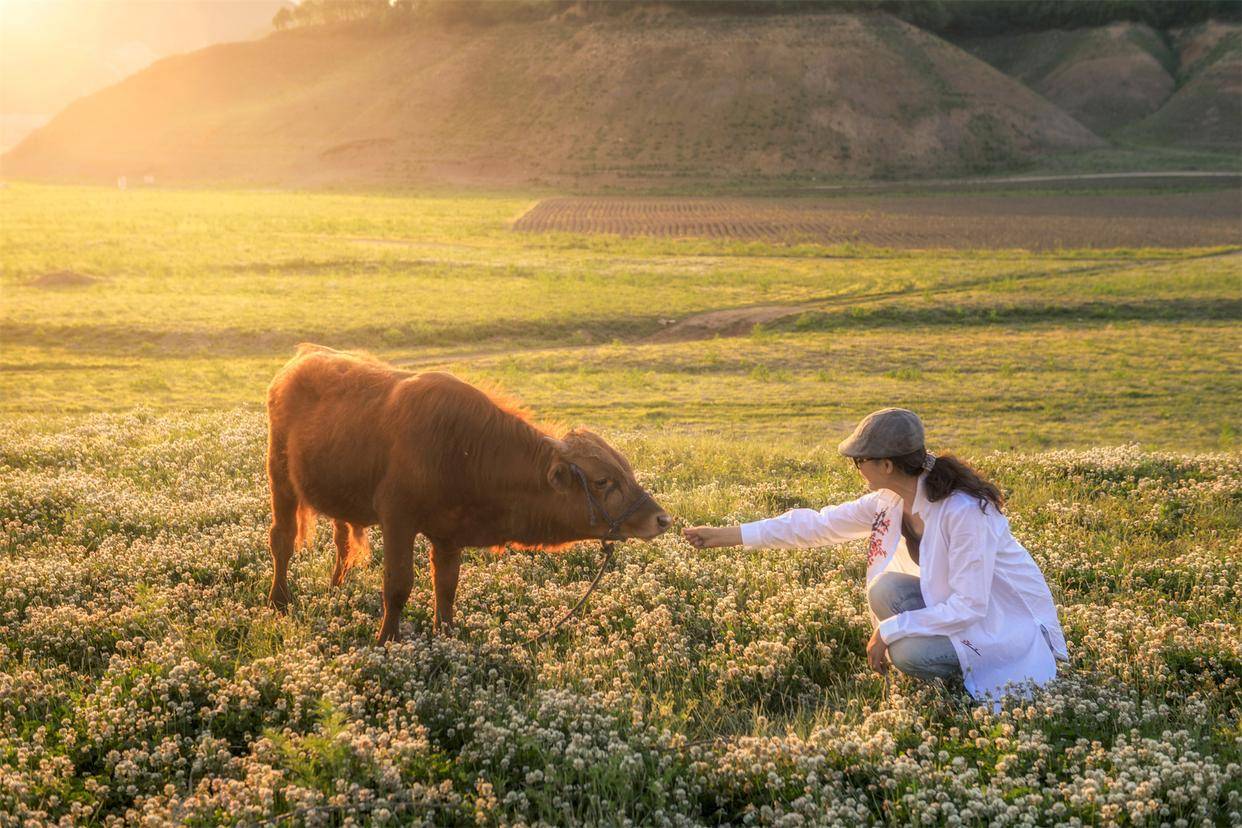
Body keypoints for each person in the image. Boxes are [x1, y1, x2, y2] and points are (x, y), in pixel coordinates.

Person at [683, 408, 1068, 702]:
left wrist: (889, 630)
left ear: (886, 465)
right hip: (957, 608)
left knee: (909, 653)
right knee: (885, 591)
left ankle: (966, 683)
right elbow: (817, 524)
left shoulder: (964, 513)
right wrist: (726, 536)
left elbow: (970, 607)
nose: (856, 467)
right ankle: (942, 660)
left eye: (859, 460)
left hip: (1002, 625)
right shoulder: (890, 499)